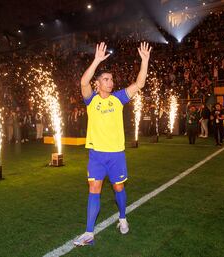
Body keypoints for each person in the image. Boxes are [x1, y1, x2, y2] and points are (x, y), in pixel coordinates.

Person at [74, 42, 151, 246]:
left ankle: (123, 218)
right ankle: (89, 233)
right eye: (106, 79)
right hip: (97, 155)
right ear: (97, 84)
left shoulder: (118, 99)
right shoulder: (91, 100)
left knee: (118, 187)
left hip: (116, 154)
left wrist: (145, 60)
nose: (111, 82)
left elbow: (139, 84)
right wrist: (97, 60)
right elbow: (83, 82)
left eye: (111, 79)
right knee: (94, 188)